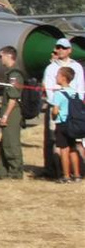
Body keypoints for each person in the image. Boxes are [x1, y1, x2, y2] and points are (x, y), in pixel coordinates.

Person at [42, 38, 83, 178]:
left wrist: (76, 103)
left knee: (74, 142)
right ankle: (55, 170)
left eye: (63, 48)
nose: (60, 50)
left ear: (69, 50)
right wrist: (56, 103)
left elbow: (80, 87)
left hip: (74, 109)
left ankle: (76, 171)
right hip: (57, 107)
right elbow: (48, 88)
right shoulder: (51, 68)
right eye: (58, 47)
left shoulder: (76, 67)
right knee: (54, 140)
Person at [0, 46, 25, 179]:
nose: (0, 59)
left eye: (1, 56)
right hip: (8, 111)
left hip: (12, 113)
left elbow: (13, 98)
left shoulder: (15, 75)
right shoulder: (10, 74)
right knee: (4, 142)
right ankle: (2, 171)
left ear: (9, 56)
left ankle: (15, 172)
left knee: (11, 143)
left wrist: (5, 115)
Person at [48, 65, 82, 183]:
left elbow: (55, 111)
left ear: (63, 78)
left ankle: (66, 175)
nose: (56, 77)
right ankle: (77, 174)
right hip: (73, 123)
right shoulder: (75, 92)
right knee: (73, 149)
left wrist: (53, 116)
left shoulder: (58, 94)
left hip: (62, 124)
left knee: (64, 150)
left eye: (57, 75)